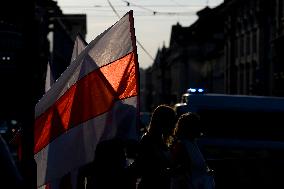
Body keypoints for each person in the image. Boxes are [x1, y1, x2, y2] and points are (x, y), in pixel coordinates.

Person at [170, 112, 214, 189]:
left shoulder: (192, 143)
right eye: (196, 125)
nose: (200, 128)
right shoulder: (181, 146)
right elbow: (181, 174)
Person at [136, 104, 176, 189]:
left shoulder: (163, 141)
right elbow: (146, 169)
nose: (174, 126)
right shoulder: (147, 140)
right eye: (172, 121)